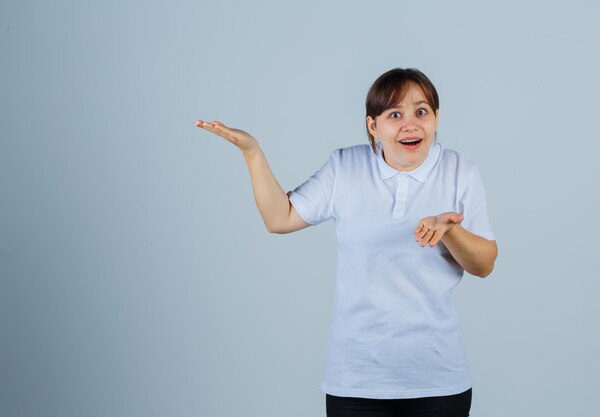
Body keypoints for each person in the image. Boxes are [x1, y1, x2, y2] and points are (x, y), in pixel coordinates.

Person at [195, 67, 498, 417]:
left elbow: (484, 264)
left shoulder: (460, 170)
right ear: (373, 125)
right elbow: (280, 218)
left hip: (438, 380)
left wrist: (451, 230)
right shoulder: (345, 166)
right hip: (356, 380)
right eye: (394, 114)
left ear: (436, 118)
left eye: (421, 111)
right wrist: (252, 153)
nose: (410, 124)